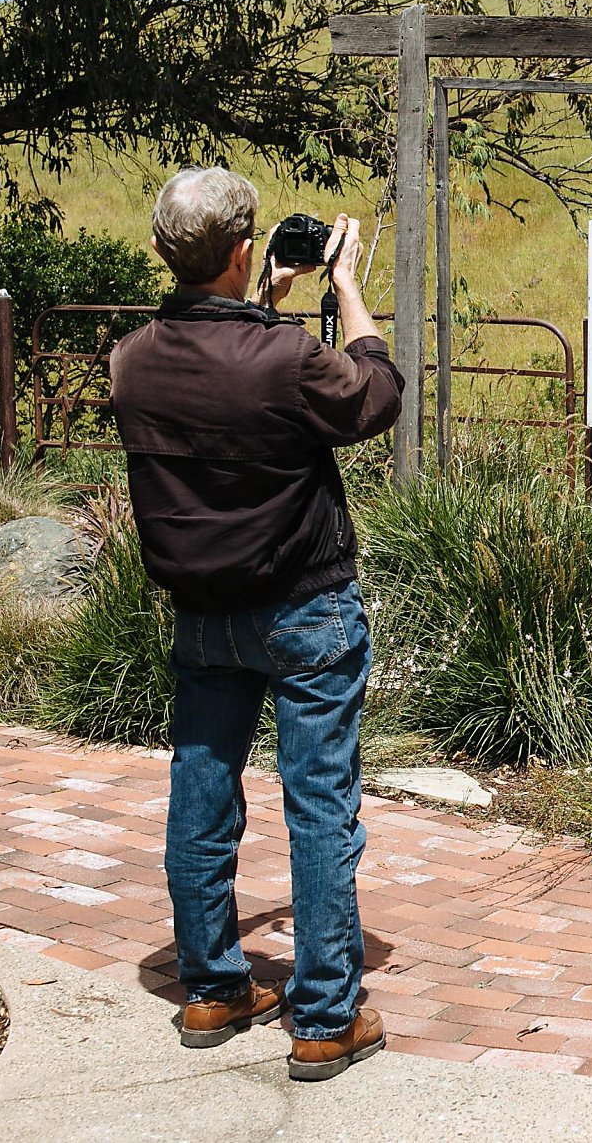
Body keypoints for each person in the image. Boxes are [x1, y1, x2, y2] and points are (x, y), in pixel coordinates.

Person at [108, 167, 402, 1082]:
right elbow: (373, 394)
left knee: (202, 797)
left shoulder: (130, 359)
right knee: (318, 806)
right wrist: (347, 289)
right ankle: (323, 1017)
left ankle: (212, 987)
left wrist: (257, 301)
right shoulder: (282, 356)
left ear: (165, 252)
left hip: (201, 615)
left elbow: (212, 373)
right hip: (304, 604)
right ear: (244, 250)